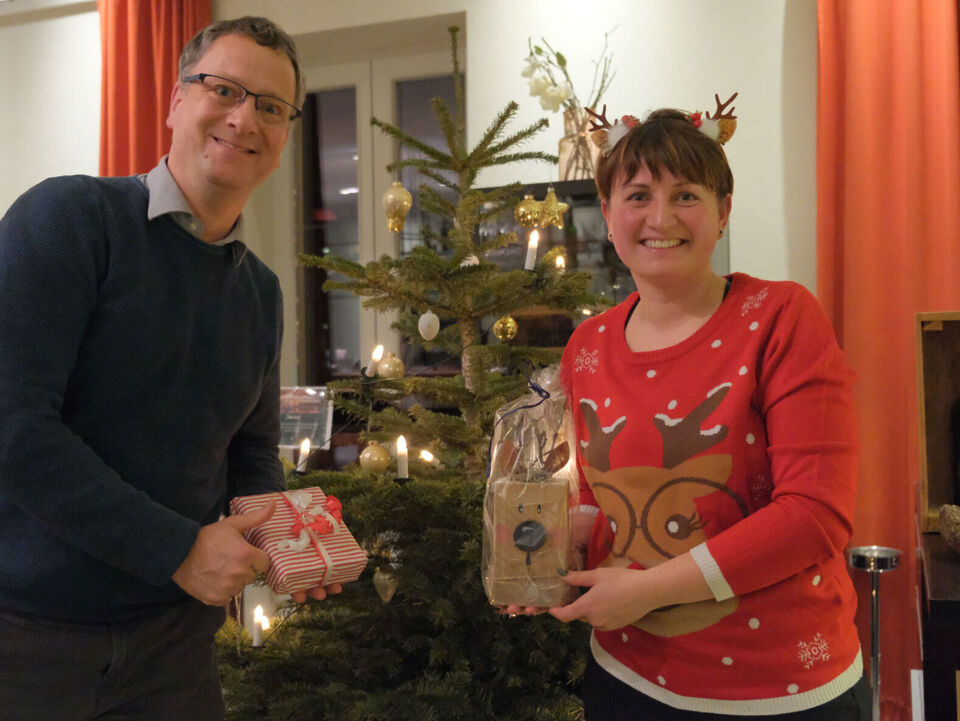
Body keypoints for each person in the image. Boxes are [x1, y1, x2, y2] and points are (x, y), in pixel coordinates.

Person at [0, 16, 339, 721]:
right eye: (224, 89)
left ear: (283, 137)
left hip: (175, 654)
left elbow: (250, 456)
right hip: (28, 640)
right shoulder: (70, 218)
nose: (244, 118)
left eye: (270, 106)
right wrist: (179, 549)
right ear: (177, 100)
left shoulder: (261, 292)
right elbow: (14, 426)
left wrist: (285, 541)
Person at [545, 98, 869, 719]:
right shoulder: (587, 345)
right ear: (608, 214)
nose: (660, 217)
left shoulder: (781, 318)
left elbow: (815, 515)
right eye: (638, 196)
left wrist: (645, 591)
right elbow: (589, 493)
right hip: (624, 675)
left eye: (686, 195)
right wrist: (544, 559)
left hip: (780, 690)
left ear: (722, 212)